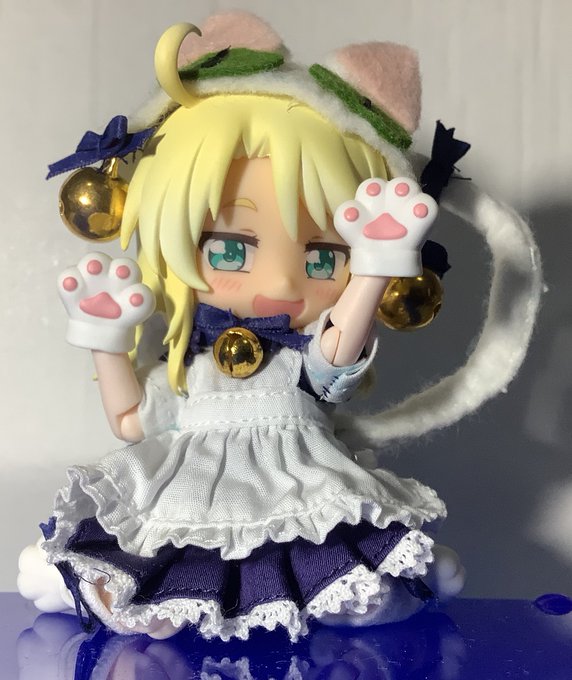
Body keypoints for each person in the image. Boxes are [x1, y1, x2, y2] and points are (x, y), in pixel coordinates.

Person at [17, 12, 541, 641]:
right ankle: (100, 587)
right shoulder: (192, 364)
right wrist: (106, 342)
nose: (284, 282)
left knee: (339, 573)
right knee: (153, 571)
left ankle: (382, 583)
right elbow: (133, 423)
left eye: (323, 258)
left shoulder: (303, 355)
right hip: (192, 486)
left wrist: (373, 269)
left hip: (298, 482)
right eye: (231, 249)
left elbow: (337, 355)